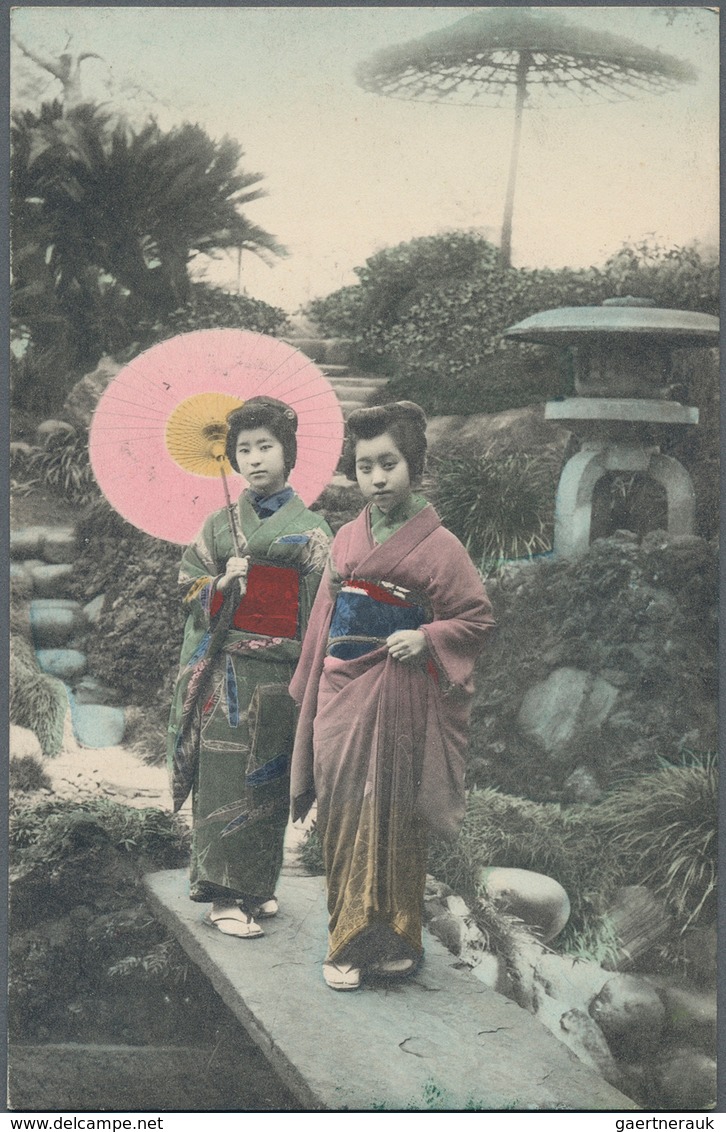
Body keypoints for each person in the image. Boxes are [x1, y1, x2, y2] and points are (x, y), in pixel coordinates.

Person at [289, 401, 495, 989]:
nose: (376, 478)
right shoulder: (347, 538)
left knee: (395, 815)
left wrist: (427, 635)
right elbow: (325, 615)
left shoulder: (442, 545)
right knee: (346, 810)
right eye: (364, 467)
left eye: (389, 464)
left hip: (399, 688)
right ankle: (347, 944)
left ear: (416, 465)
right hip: (340, 686)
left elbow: (476, 619)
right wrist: (309, 685)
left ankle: (397, 937)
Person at [168, 396, 333, 938]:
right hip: (229, 669)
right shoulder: (218, 526)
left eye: (267, 446)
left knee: (270, 777)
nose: (255, 459)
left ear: (288, 453)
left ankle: (257, 886)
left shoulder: (311, 529)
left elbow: (324, 604)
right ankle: (219, 895)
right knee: (223, 773)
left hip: (284, 669)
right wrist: (219, 584)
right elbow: (186, 588)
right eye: (244, 450)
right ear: (233, 459)